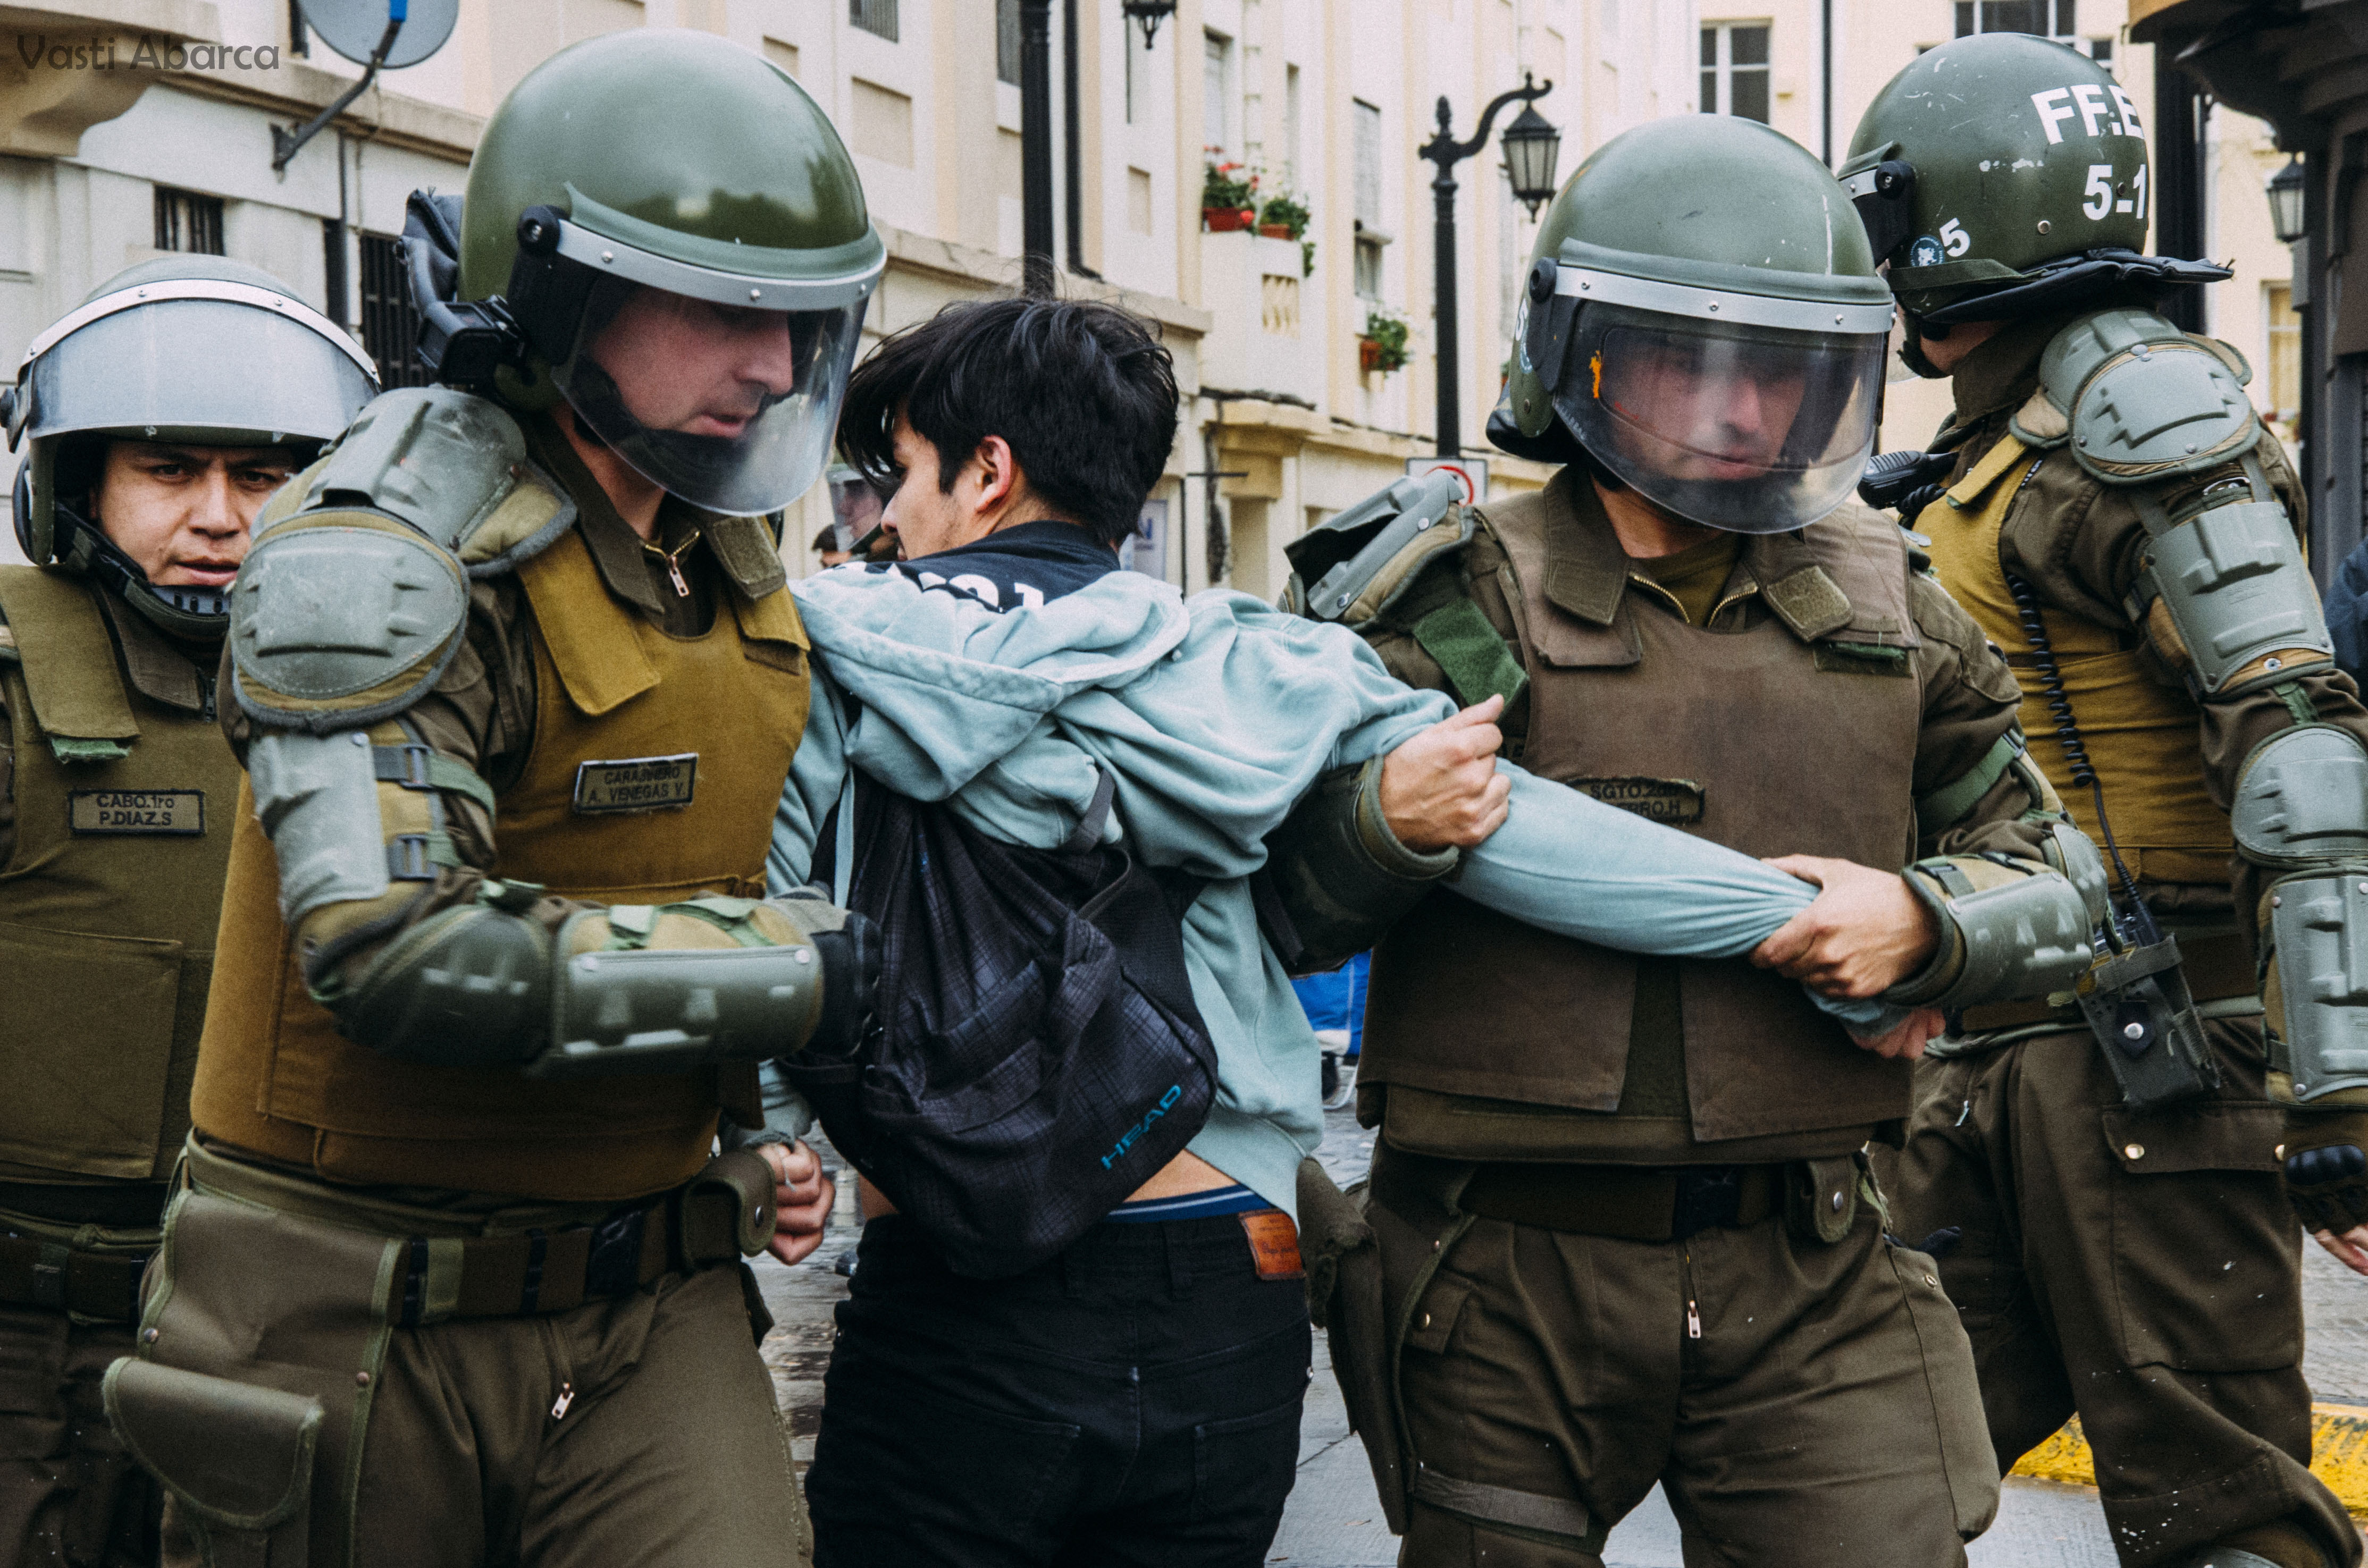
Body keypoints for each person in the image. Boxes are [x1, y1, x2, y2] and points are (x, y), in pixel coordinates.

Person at [766, 293, 2093, 1568]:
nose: (889, 519)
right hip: (1230, 1261)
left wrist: (766, 1135)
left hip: (962, 1260)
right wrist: (1810, 922)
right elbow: (1540, 843)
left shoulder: (829, 647)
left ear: (986, 473)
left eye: (900, 478)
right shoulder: (1249, 664)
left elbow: (770, 916)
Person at [1291, 113, 2112, 1568]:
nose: (1741, 407)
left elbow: (2063, 882)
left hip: (1809, 1260)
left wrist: (1928, 925)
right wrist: (1379, 823)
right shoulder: (1436, 597)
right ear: (1585, 356)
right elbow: (1263, 912)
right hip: (1498, 1269)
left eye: (1782, 370)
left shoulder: (1894, 604)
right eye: (1693, 359)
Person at [105, 32, 879, 1568]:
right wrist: (792, 971)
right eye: (727, 309)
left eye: (800, 321)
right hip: (356, 1316)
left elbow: (670, 858)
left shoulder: (709, 560)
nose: (778, 370)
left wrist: (746, 1142)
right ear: (567, 292)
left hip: (649, 1297)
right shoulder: (376, 558)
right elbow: (392, 945)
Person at [1845, 33, 2368, 1568]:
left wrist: (2338, 1087)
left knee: (2219, 1513)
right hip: (1990, 1054)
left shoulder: (2134, 413)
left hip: (2138, 1067)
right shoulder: (2003, 438)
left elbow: (2291, 735)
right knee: (1844, 1476)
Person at [0, 256, 376, 1568]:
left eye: (264, 474)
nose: (220, 516)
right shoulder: (12, 680)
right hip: (26, 1350)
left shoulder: (398, 694)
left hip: (289, 1341)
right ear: (77, 483)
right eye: (168, 468)